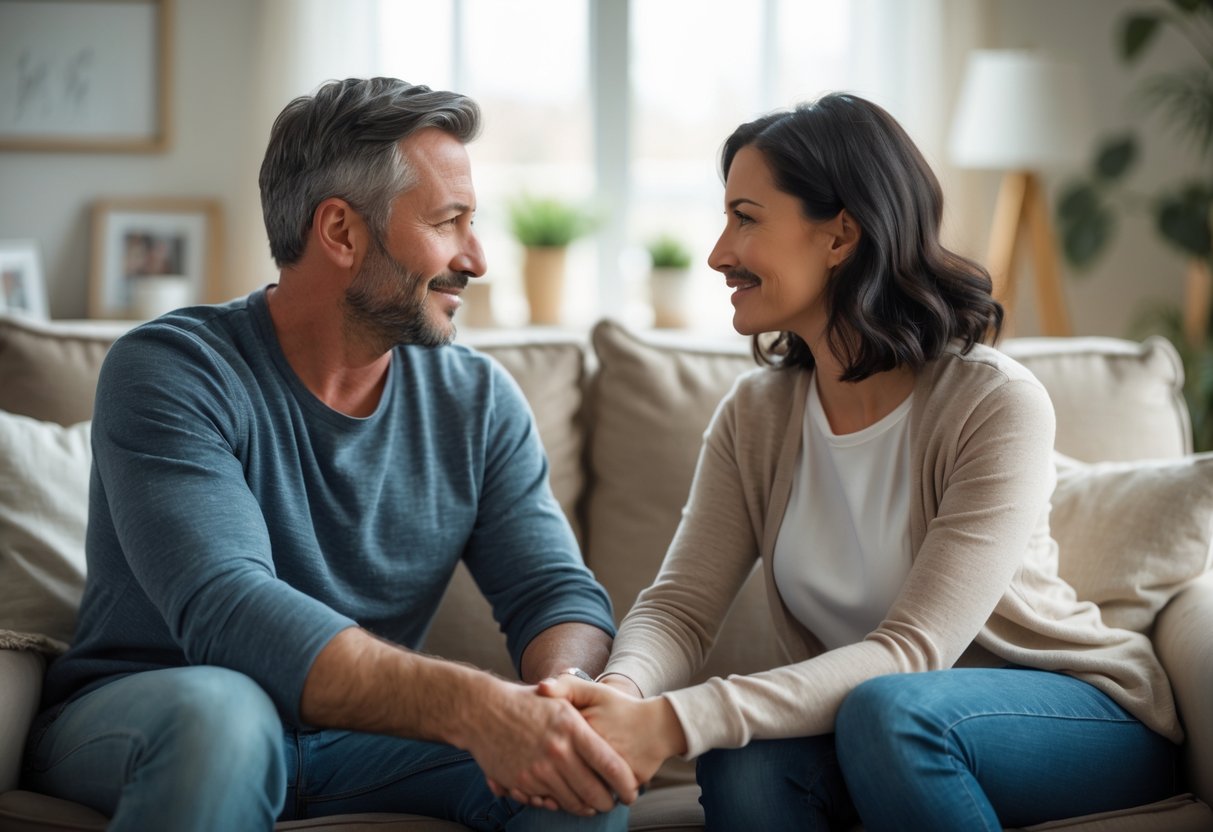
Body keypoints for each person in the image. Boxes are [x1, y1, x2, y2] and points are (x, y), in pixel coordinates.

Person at [537, 93, 1182, 831]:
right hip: (878, 723)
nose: (717, 252)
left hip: (1068, 716)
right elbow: (680, 609)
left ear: (839, 235)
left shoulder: (993, 403)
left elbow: (914, 651)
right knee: (741, 759)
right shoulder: (756, 416)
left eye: (745, 218)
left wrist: (678, 721)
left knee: (890, 711)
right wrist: (620, 696)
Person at [22, 77, 636, 832]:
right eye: (449, 223)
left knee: (578, 777)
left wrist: (563, 698)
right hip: (157, 712)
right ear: (340, 232)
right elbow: (229, 610)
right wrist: (477, 707)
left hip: (363, 744)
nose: (475, 258)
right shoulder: (171, 369)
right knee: (225, 714)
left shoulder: (476, 400)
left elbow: (553, 593)